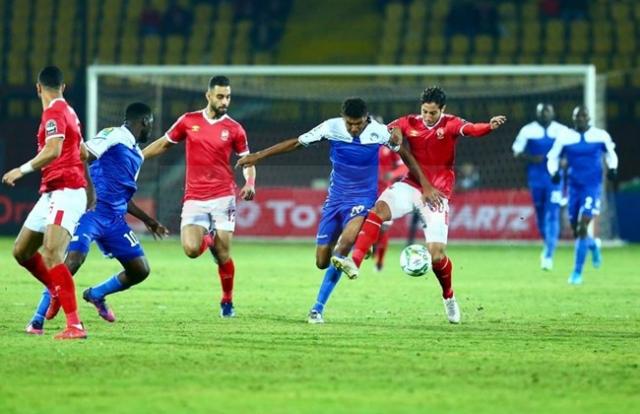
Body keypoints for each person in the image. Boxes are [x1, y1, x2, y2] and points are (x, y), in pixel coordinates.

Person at [236, 98, 431, 324]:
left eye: (358, 124)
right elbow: (296, 143)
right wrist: (258, 157)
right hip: (335, 201)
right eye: (350, 123)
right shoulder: (331, 127)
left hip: (362, 200)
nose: (354, 128)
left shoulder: (378, 132)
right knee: (322, 261)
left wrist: (425, 184)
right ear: (343, 119)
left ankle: (317, 308)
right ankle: (359, 246)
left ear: (366, 119)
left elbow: (404, 153)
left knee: (343, 247)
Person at [332, 86, 507, 324]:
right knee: (378, 210)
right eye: (424, 111)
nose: (427, 116)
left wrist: (489, 126)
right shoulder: (408, 122)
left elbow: (473, 129)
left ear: (442, 110)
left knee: (436, 256)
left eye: (433, 113)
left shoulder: (451, 124)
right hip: (411, 185)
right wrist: (385, 131)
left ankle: (449, 297)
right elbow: (386, 130)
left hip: (436, 194)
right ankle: (355, 260)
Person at [25, 103, 169, 334]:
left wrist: (148, 220)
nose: (149, 131)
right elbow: (83, 153)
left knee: (140, 270)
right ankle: (38, 318)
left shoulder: (136, 155)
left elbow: (122, 196)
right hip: (91, 213)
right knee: (72, 260)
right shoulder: (114, 135)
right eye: (149, 125)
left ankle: (96, 294)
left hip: (115, 220)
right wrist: (88, 192)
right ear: (144, 122)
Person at [142, 76, 256, 318]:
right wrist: (137, 157)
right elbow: (164, 143)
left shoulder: (235, 128)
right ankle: (210, 238)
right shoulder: (188, 121)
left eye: (228, 97)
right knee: (192, 250)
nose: (225, 101)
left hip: (223, 196)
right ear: (208, 96)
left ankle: (227, 300)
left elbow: (247, 160)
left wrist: (250, 181)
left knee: (223, 255)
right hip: (194, 197)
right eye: (220, 96)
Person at [2, 66, 88, 339]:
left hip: (67, 190)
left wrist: (21, 169)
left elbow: (53, 150)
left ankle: (75, 325)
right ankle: (55, 288)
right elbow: (83, 151)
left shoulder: (54, 112)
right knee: (22, 251)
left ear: (38, 88)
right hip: (52, 192)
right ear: (63, 86)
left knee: (52, 253)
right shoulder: (70, 112)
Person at [547, 105, 618, 285]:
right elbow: (552, 157)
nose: (580, 119)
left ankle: (576, 273)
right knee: (577, 229)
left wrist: (613, 168)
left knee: (581, 227)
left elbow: (611, 154)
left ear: (589, 118)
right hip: (573, 187)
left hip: (592, 187)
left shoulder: (600, 136)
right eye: (577, 116)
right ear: (573, 118)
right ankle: (593, 245)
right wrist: (554, 172)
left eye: (583, 116)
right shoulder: (565, 137)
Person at [512, 103, 568, 270]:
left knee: (553, 213)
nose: (544, 114)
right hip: (536, 178)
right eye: (541, 112)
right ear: (536, 114)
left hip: (555, 178)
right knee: (541, 214)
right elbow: (516, 151)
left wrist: (565, 161)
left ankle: (549, 254)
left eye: (547, 112)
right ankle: (548, 245)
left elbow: (570, 151)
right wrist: (530, 158)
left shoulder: (562, 130)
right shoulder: (527, 130)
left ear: (553, 113)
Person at [373, 142, 408, 272]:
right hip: (365, 192)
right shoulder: (363, 145)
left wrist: (392, 175)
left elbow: (404, 167)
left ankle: (380, 261)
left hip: (385, 192)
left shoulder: (389, 147)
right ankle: (371, 247)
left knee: (384, 227)